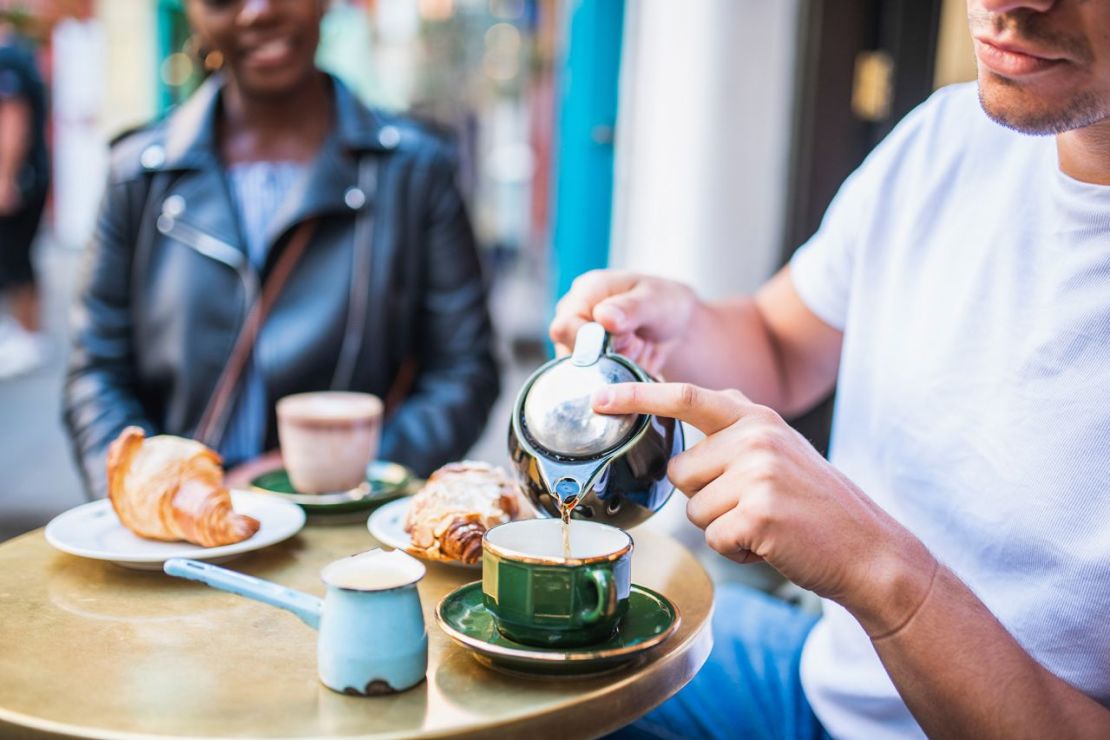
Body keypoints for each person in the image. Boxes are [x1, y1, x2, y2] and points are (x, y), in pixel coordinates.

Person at [551, 0, 1110, 737]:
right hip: (819, 680)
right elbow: (782, 347)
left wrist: (878, 571)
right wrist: (685, 324)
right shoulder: (947, 136)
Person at [65, 0, 499, 499]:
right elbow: (96, 373)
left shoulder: (414, 171)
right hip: (175, 544)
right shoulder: (138, 176)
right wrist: (152, 498)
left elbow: (463, 372)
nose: (258, 12)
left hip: (348, 542)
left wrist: (340, 475)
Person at [0, 15, 49, 379]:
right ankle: (24, 335)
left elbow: (13, 121)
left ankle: (29, 338)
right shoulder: (20, 56)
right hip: (25, 175)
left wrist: (5, 177)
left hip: (20, 178)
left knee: (15, 258)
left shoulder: (9, 60)